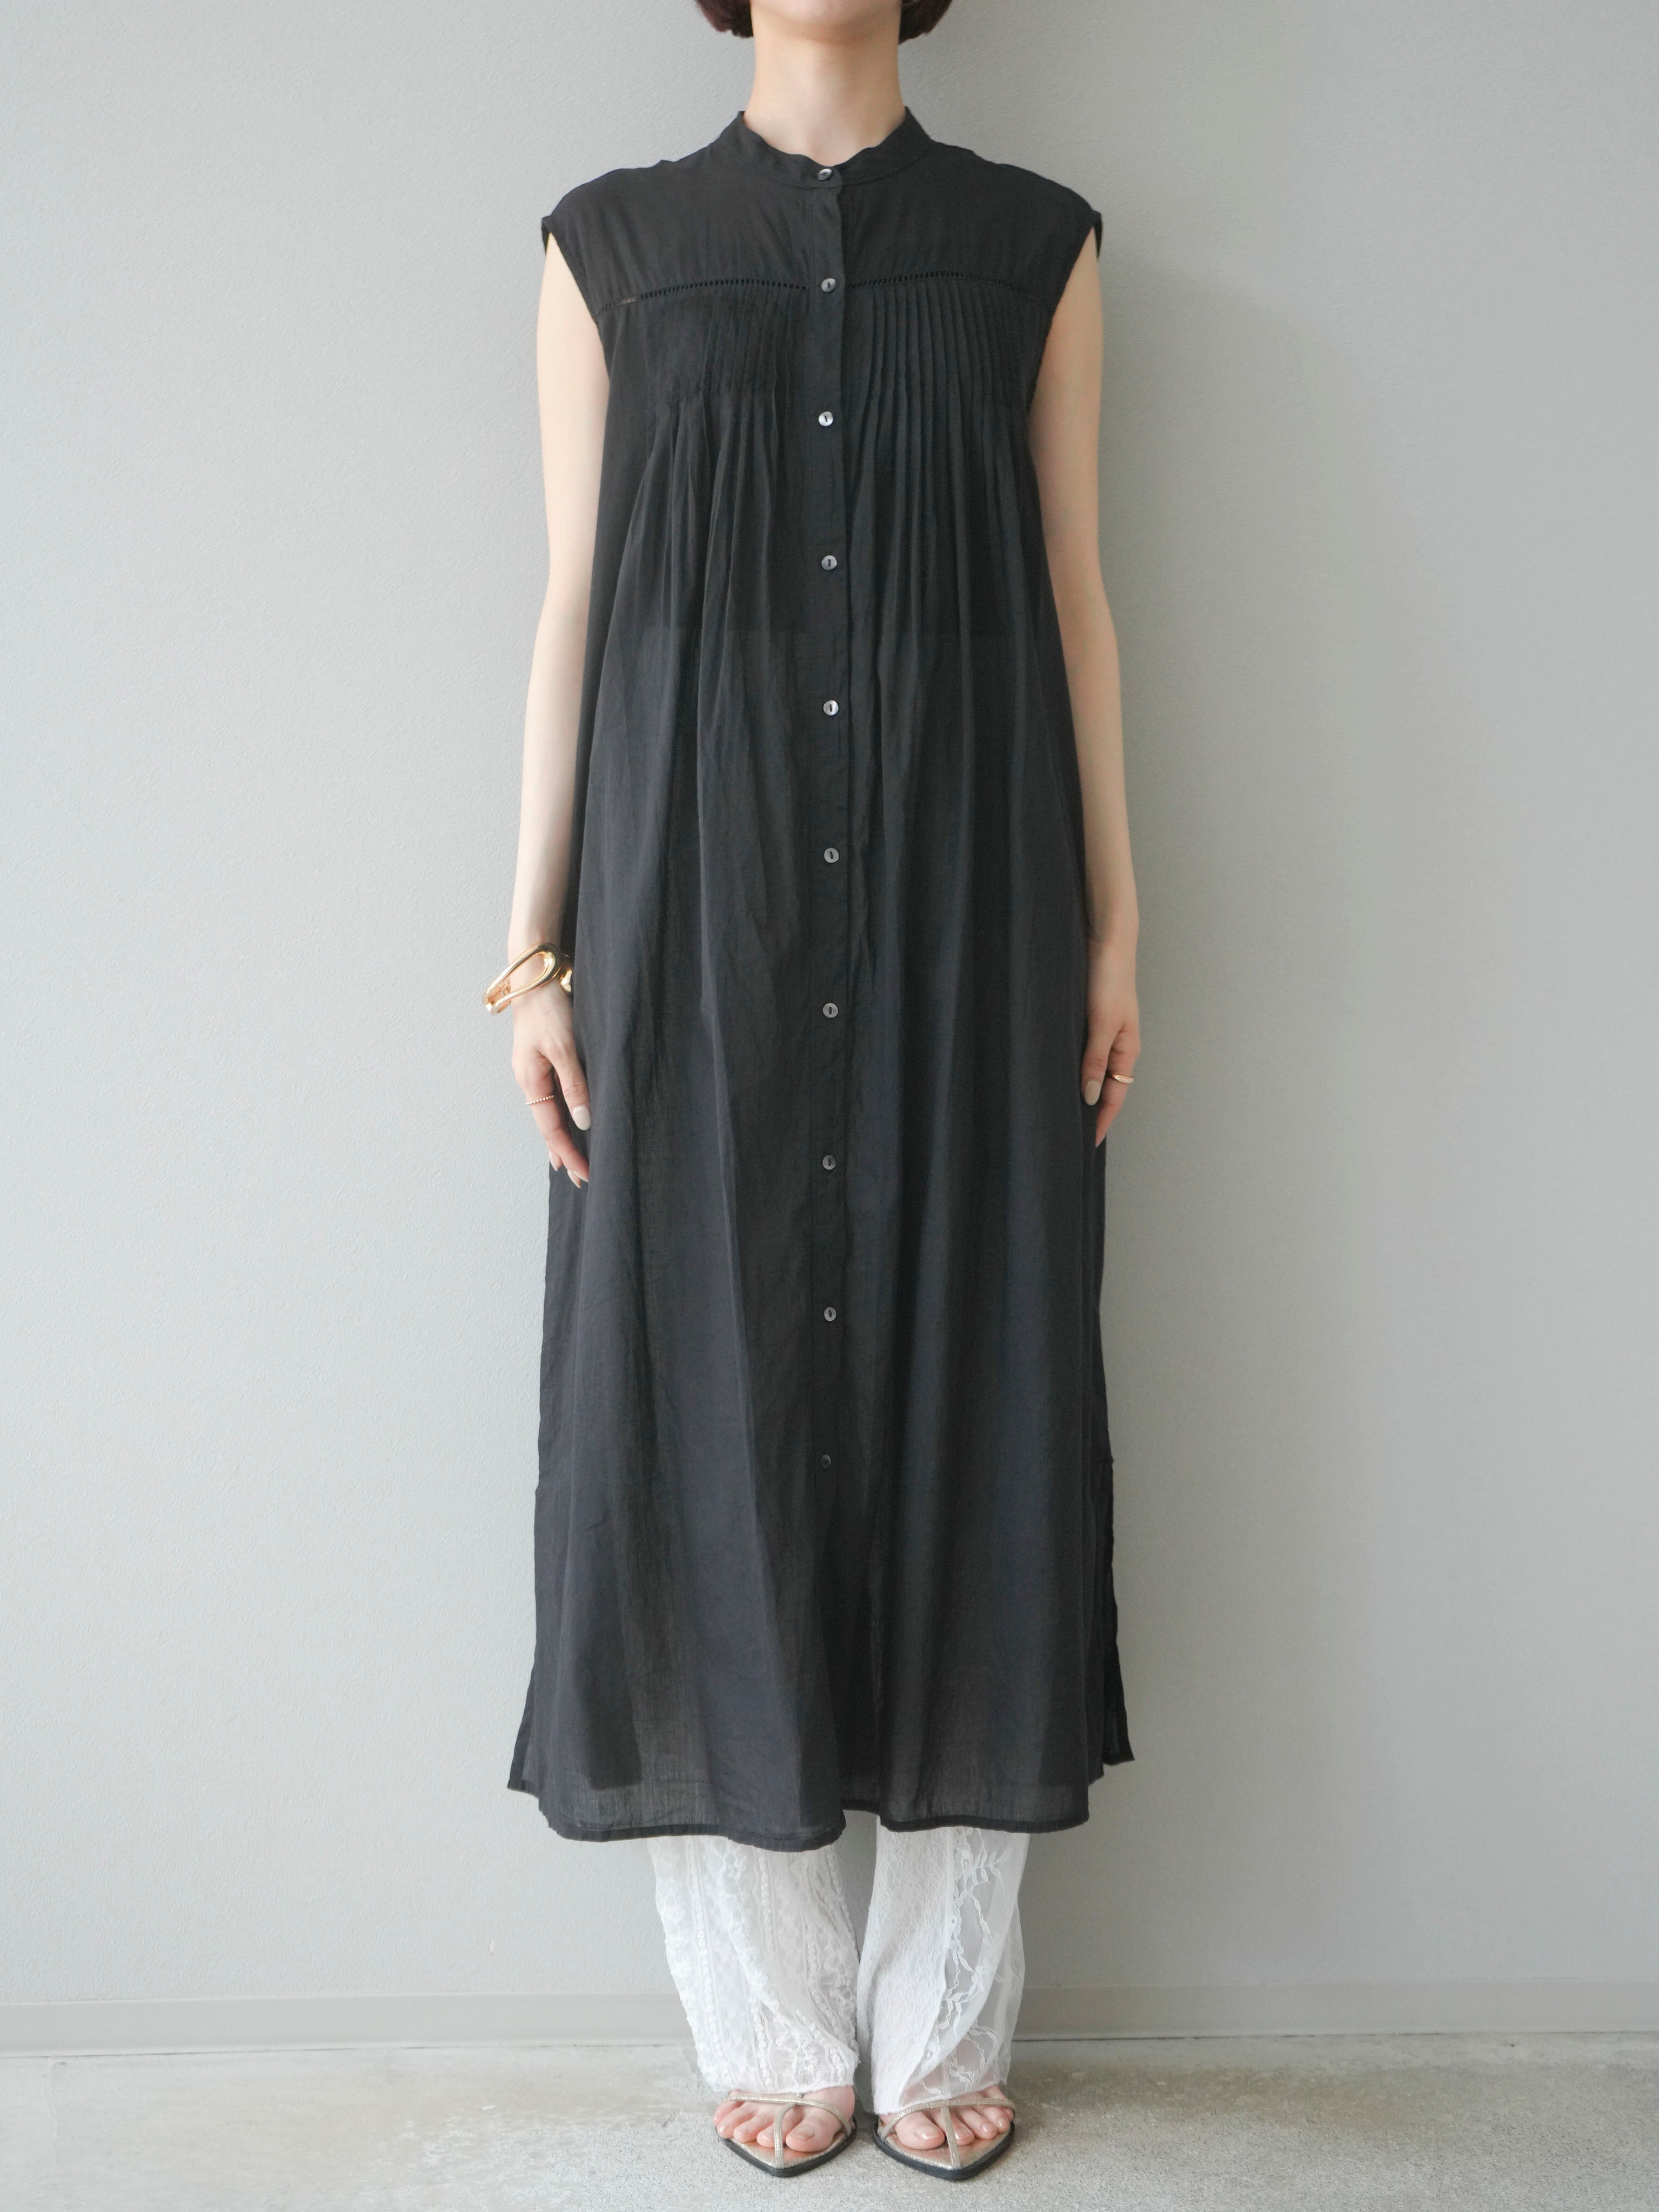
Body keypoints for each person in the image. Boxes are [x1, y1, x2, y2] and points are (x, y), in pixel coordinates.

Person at [488, 0, 1139, 2180]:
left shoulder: (1038, 244)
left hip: (976, 900)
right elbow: (574, 605)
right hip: (693, 905)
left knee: (982, 1398)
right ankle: (770, 2015)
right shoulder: (611, 245)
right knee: (700, 1396)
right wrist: (530, 953)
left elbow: (1078, 598)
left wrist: (1120, 922)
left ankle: (942, 2016)